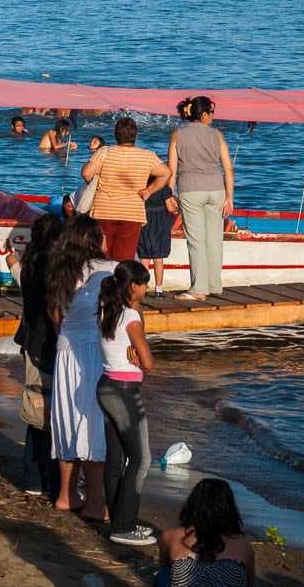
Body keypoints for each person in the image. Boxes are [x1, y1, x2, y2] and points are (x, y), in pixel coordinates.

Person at [46, 214, 117, 519]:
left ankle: (66, 495)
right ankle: (95, 502)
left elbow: (56, 319)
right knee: (91, 423)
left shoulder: (60, 273)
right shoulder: (109, 271)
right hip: (92, 350)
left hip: (65, 349)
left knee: (66, 421)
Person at [97, 260, 156, 546]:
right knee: (141, 458)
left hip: (106, 385)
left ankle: (120, 519)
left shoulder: (108, 309)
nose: (146, 287)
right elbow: (148, 363)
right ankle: (123, 524)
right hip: (124, 390)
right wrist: (139, 357)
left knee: (116, 458)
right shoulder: (131, 316)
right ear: (133, 286)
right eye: (143, 283)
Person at [14, 214, 63, 500]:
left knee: (36, 411)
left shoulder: (30, 262)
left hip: (31, 339)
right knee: (46, 411)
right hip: (45, 342)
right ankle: (42, 476)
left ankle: (34, 475)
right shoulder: (49, 266)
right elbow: (53, 307)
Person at [168, 96, 234, 301]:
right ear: (204, 114)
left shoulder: (178, 134)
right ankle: (214, 285)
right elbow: (228, 168)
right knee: (214, 239)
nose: (213, 117)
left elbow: (172, 168)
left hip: (191, 190)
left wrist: (170, 194)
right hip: (216, 190)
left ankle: (199, 289)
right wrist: (229, 197)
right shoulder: (217, 135)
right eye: (212, 113)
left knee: (196, 241)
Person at [83, 117, 171, 261]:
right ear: (136, 136)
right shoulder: (147, 156)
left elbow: (86, 173)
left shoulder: (104, 152)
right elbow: (166, 173)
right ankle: (121, 282)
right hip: (132, 212)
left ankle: (100, 281)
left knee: (100, 256)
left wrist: (95, 184)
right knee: (124, 258)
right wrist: (149, 191)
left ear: (115, 135)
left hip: (104, 210)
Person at [158, 479, 256, 587]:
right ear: (229, 508)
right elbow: (250, 582)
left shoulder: (170, 536)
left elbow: (164, 565)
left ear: (192, 505)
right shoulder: (243, 545)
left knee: (164, 574)